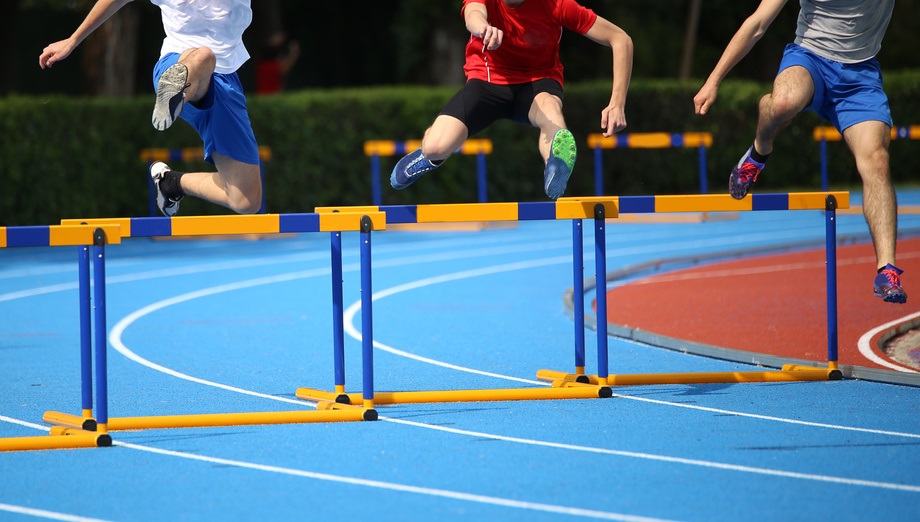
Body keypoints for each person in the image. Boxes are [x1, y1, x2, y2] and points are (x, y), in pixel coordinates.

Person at [693, 0, 906, 304]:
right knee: (782, 103)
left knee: (878, 161)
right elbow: (757, 23)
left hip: (860, 78)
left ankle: (887, 270)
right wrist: (713, 81)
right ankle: (759, 150)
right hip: (809, 60)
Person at [390, 0, 633, 200]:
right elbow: (473, 15)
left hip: (537, 82)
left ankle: (556, 165)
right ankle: (427, 158)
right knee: (435, 146)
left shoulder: (557, 5)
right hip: (488, 80)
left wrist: (617, 102)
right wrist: (484, 27)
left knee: (551, 108)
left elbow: (620, 39)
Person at [39, 0, 263, 217]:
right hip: (176, 64)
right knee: (204, 56)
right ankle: (175, 91)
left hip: (225, 81)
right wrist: (73, 40)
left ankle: (172, 183)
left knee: (246, 200)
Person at [256, 31, 300, 95]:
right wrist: (294, 53)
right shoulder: (272, 66)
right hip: (272, 96)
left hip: (263, 97)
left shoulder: (261, 65)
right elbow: (285, 67)